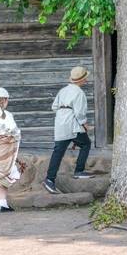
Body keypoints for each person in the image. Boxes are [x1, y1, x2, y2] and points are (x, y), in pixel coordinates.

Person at [42, 66, 93, 194]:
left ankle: (49, 179)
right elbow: (80, 113)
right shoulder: (79, 93)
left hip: (60, 123)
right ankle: (79, 171)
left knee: (58, 151)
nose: (86, 80)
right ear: (81, 80)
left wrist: (63, 112)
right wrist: (85, 124)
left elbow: (54, 107)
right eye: (85, 78)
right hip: (71, 124)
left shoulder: (63, 90)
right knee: (86, 144)